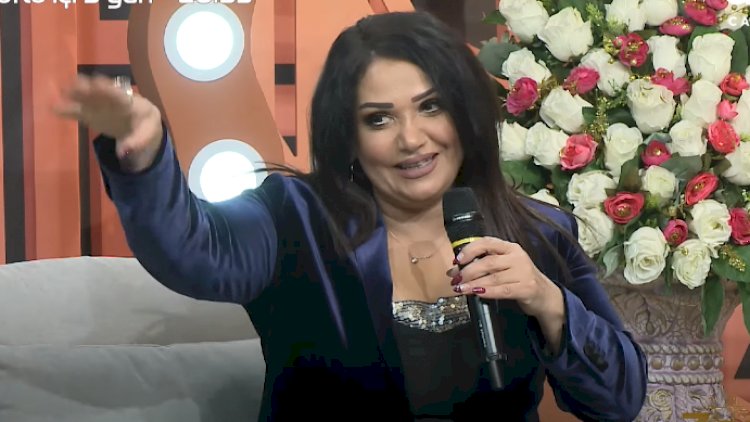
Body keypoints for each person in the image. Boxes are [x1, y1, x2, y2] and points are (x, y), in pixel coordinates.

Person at [56, 11, 647, 421]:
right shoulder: (294, 220)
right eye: (379, 118)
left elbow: (620, 399)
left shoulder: (541, 235)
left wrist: (548, 302)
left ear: (464, 114)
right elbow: (193, 252)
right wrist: (145, 157)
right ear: (349, 135)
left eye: (430, 107)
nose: (412, 139)